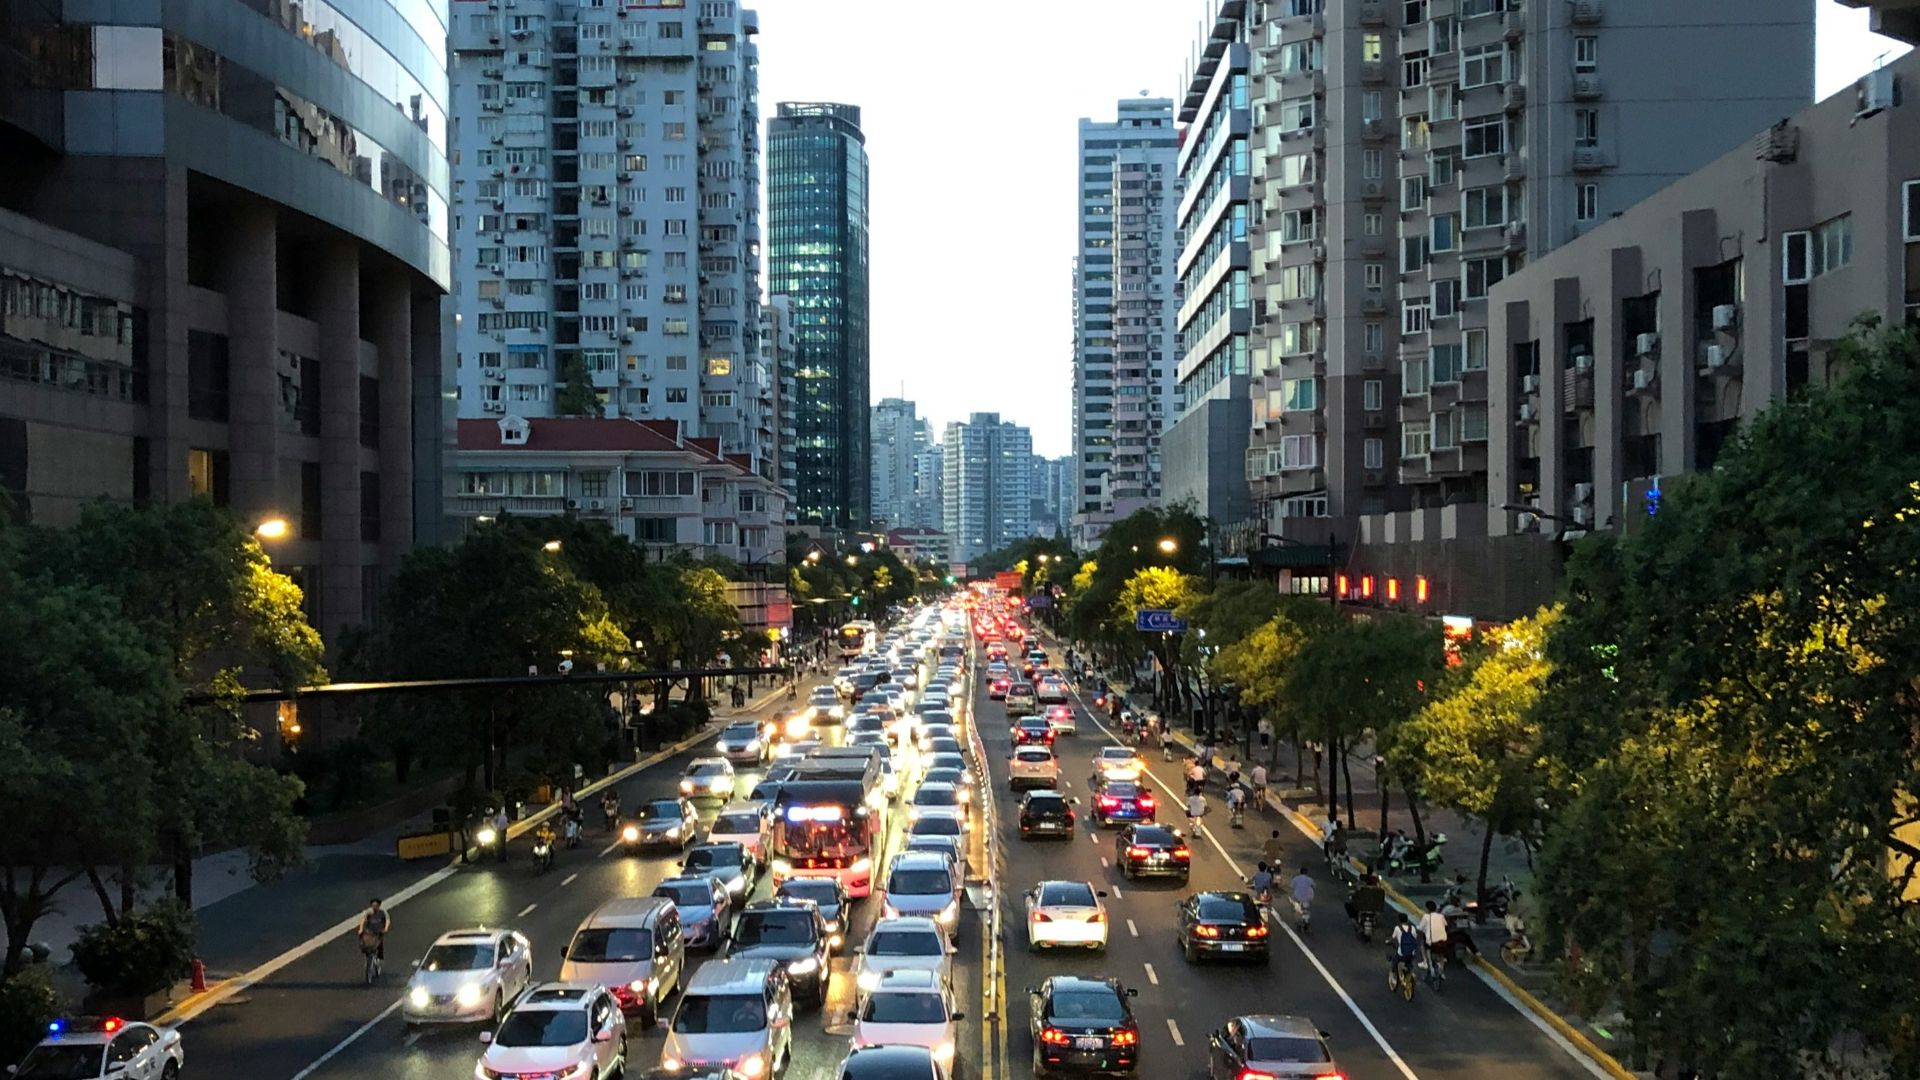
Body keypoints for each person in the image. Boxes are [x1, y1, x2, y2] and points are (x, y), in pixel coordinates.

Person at [1387, 914, 1422, 985]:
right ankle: (1411, 972)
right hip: (1411, 952)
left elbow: (1393, 938)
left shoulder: (1397, 928)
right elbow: (1415, 937)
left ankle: (1393, 977)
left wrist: (1388, 941)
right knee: (1409, 961)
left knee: (1394, 961)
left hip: (1401, 953)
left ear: (1399, 920)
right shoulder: (1412, 928)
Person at [1419, 900, 1451, 973]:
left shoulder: (1426, 916)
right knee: (1441, 954)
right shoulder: (1441, 916)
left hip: (1432, 942)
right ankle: (1441, 970)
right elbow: (1446, 925)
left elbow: (1420, 928)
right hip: (1443, 941)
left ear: (1427, 909)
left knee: (1423, 945)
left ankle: (1425, 962)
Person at [357, 898, 390, 965]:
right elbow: (363, 920)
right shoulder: (369, 912)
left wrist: (386, 928)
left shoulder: (383, 912)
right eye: (373, 905)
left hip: (379, 931)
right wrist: (361, 929)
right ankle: (368, 957)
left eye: (376, 905)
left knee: (379, 943)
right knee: (367, 943)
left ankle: (380, 957)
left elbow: (387, 920)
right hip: (370, 930)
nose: (374, 907)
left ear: (379, 905)